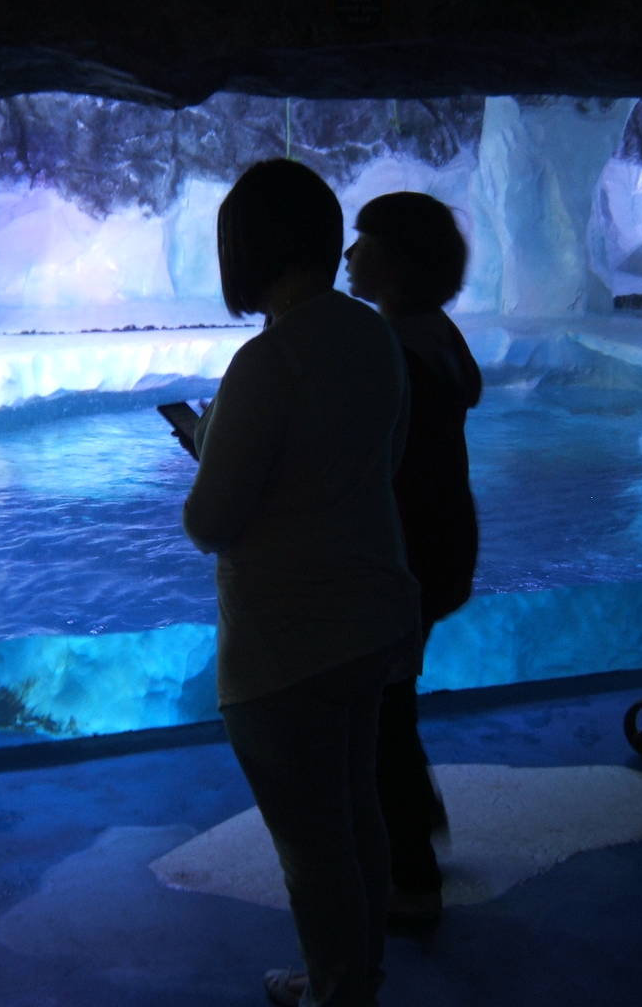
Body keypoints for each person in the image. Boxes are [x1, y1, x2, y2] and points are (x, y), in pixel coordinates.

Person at [182, 159, 421, 1007]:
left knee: (311, 845)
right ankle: (360, 978)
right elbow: (373, 468)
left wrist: (210, 447)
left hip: (285, 647)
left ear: (247, 249)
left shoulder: (267, 361)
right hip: (373, 620)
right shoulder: (373, 336)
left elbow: (211, 521)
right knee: (359, 815)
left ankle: (336, 995)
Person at [343, 192, 482, 926]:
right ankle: (416, 820)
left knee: (380, 717)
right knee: (390, 705)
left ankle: (414, 882)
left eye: (362, 242)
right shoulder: (437, 335)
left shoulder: (391, 348)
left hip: (405, 561)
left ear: (394, 260)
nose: (349, 255)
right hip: (445, 548)